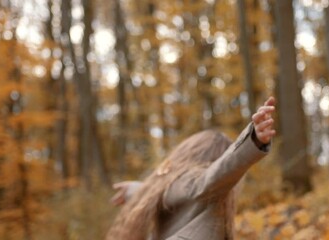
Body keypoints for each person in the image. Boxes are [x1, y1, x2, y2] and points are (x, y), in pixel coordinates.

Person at [106, 97, 276, 240]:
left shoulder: (175, 187)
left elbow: (164, 192)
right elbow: (220, 170)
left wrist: (136, 190)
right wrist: (253, 140)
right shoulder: (199, 185)